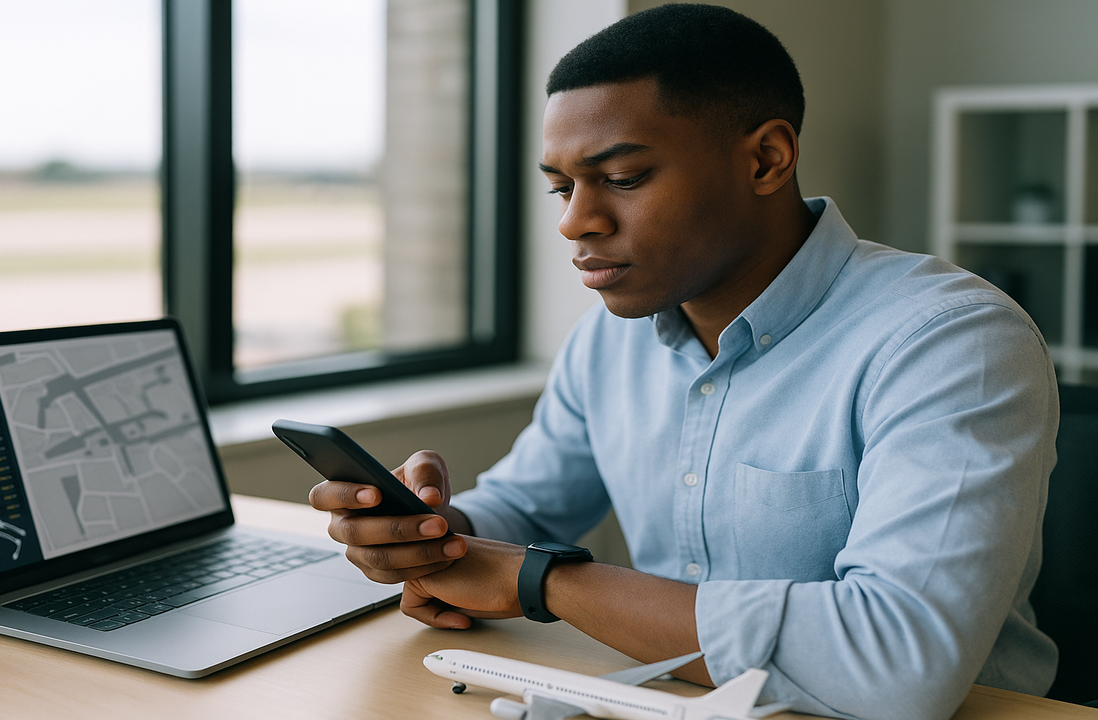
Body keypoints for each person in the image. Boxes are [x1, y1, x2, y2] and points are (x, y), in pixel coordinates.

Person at [308, 5, 1059, 719]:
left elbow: (901, 664)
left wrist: (544, 581)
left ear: (767, 159)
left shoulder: (953, 342)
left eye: (624, 178)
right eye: (562, 187)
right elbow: (528, 509)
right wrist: (431, 535)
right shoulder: (609, 336)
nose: (575, 221)